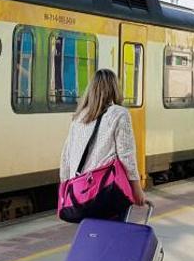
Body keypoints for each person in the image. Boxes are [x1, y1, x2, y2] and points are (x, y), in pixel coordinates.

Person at [59, 69, 146, 213]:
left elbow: (65, 158)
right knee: (111, 233)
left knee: (90, 234)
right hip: (108, 190)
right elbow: (127, 156)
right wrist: (137, 191)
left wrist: (66, 190)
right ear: (114, 89)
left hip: (81, 195)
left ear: (91, 90)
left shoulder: (79, 117)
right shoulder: (119, 113)